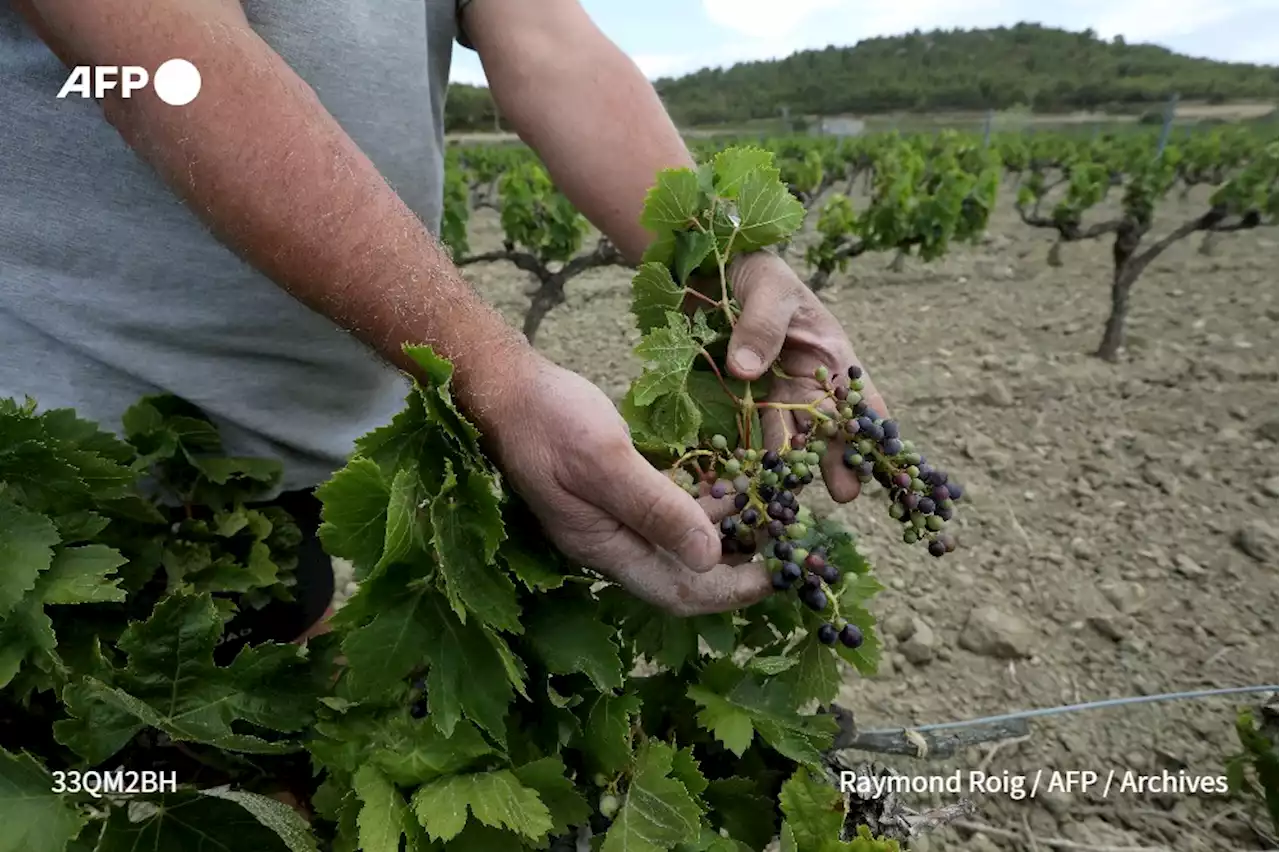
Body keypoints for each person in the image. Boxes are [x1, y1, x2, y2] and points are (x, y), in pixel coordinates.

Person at [0, 0, 888, 644]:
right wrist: (493, 375)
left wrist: (729, 264)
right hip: (53, 469)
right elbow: (168, 64)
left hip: (273, 468)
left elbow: (549, 42)